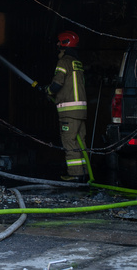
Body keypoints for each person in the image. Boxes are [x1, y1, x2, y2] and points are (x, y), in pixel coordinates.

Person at [45, 30, 88, 182]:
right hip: (81, 111)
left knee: (69, 143)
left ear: (65, 43)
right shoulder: (77, 62)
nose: (57, 44)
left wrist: (48, 91)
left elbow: (57, 84)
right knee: (80, 142)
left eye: (59, 42)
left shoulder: (64, 62)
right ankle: (83, 172)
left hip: (69, 112)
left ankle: (75, 175)